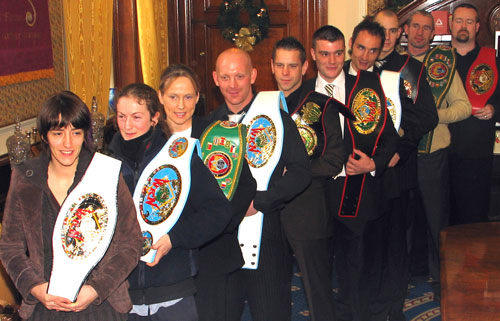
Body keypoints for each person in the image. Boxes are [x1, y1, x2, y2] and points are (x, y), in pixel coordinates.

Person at [0, 91, 142, 320]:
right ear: (44, 136)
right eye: (58, 133)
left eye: (76, 133)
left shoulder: (106, 174)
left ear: (85, 134)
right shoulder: (25, 178)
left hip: (101, 306)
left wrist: (96, 289)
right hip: (45, 306)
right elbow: (9, 247)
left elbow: (131, 243)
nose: (68, 143)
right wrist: (35, 287)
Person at [108, 83, 232, 321]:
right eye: (121, 117)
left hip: (173, 286)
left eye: (136, 117)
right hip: (124, 293)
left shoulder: (179, 159)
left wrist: (175, 238)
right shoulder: (107, 164)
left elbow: (218, 211)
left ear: (155, 117)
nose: (127, 125)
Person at [303, 25, 399, 321]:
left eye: (336, 54)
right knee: (316, 270)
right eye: (324, 54)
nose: (332, 62)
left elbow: (391, 137)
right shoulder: (303, 92)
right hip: (315, 193)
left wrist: (374, 163)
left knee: (355, 269)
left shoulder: (368, 85)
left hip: (356, 192)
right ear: (313, 55)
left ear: (344, 51)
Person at [210, 47, 311, 321]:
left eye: (240, 76)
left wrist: (261, 202)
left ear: (253, 75)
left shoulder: (276, 118)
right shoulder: (207, 125)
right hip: (222, 245)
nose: (233, 85)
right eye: (226, 77)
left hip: (268, 242)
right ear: (215, 79)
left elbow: (301, 172)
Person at [155, 63, 257, 321]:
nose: (181, 105)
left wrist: (222, 223)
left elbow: (246, 184)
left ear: (198, 98)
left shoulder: (218, 134)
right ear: (160, 97)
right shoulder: (150, 140)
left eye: (188, 97)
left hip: (215, 253)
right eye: (173, 97)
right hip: (167, 256)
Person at [372, 9, 438, 320]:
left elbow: (427, 117)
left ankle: (393, 307)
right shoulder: (358, 66)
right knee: (368, 244)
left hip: (399, 169)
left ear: (400, 34)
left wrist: (401, 148)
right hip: (363, 173)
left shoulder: (410, 69)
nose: (386, 37)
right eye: (380, 30)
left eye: (392, 31)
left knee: (397, 245)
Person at [272, 36, 344, 321]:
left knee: (318, 293)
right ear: (272, 67)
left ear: (304, 67)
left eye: (292, 66)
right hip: (270, 211)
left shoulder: (321, 105)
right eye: (280, 65)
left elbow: (335, 158)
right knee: (274, 289)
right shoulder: (262, 105)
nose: (286, 72)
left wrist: (298, 173)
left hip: (309, 210)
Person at [404, 9, 471, 300]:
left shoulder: (443, 64)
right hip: (401, 158)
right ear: (406, 30)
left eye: (426, 28)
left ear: (433, 33)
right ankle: (402, 275)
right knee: (402, 222)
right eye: (415, 26)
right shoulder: (393, 63)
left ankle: (440, 278)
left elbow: (465, 107)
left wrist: (432, 116)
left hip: (433, 156)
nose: (420, 32)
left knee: (436, 223)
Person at [448, 3, 500, 225]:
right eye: (459, 20)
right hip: (441, 153)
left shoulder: (493, 59)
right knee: (444, 221)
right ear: (450, 24)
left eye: (469, 22)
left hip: (477, 154)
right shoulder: (437, 61)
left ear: (477, 27)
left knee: (474, 222)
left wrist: (494, 109)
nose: (463, 26)